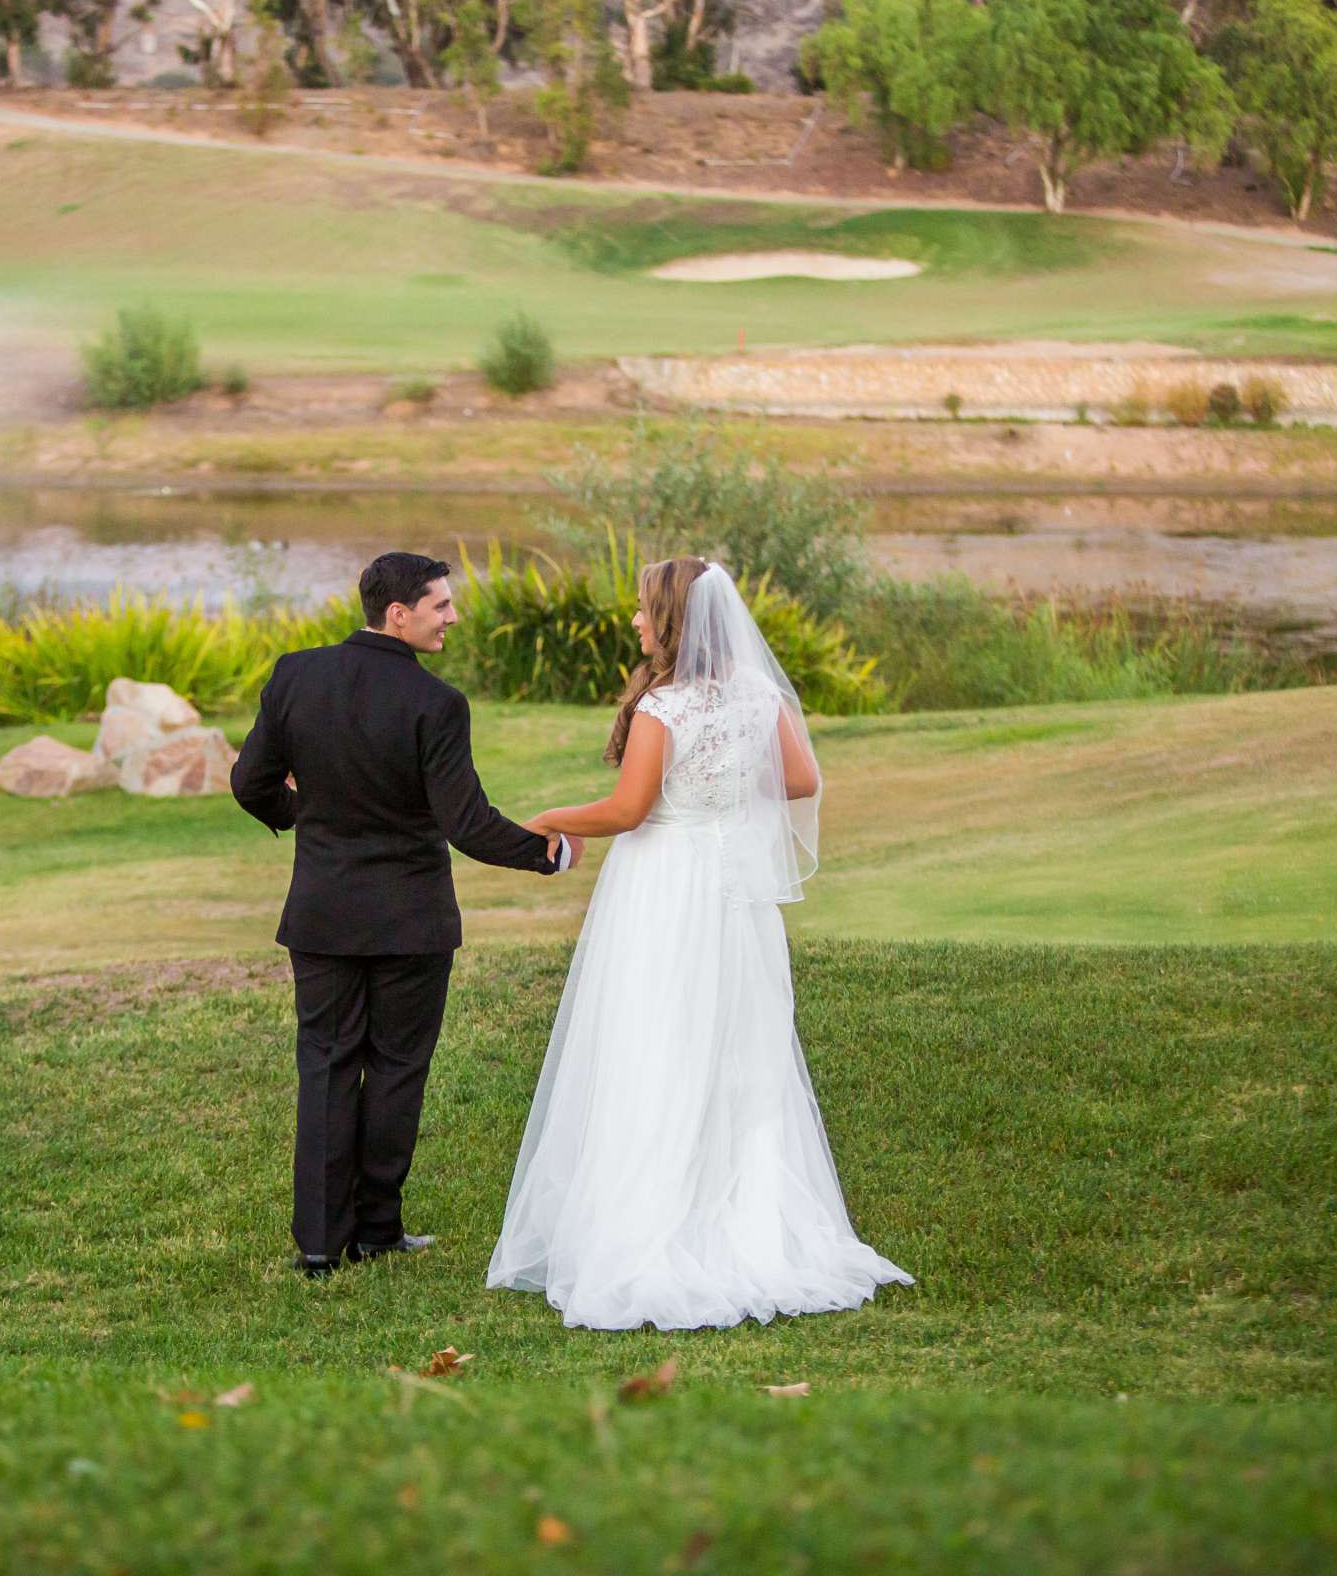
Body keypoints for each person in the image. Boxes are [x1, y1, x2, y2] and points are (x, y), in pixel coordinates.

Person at [485, 557, 913, 1331]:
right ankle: (750, 1218)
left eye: (645, 614)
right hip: (734, 898)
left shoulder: (666, 710)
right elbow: (802, 780)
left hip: (666, 889)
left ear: (673, 621)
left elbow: (626, 810)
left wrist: (546, 817)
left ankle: (655, 1223)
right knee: (734, 1044)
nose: (636, 625)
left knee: (656, 1037)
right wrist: (726, 795)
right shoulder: (759, 698)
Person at [232, 552, 575, 1279]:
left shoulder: (296, 673)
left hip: (321, 913)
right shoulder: (436, 704)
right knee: (395, 1068)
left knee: (325, 1064)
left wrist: (306, 815)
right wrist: (547, 854)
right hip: (410, 922)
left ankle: (321, 1243)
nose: (452, 616)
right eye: (441, 605)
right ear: (399, 613)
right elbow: (467, 822)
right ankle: (379, 1230)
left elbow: (248, 782)